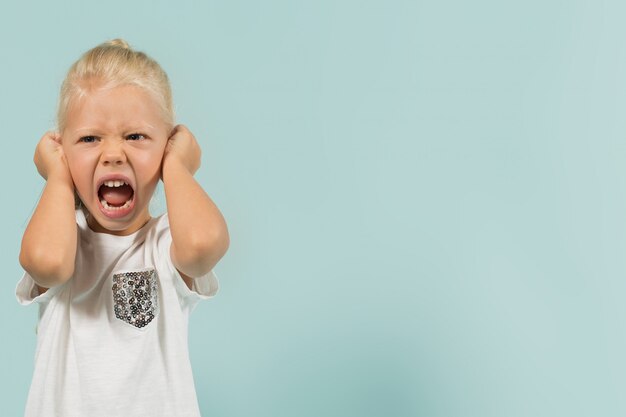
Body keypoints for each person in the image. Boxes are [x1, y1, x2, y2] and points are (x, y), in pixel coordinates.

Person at [15, 39, 230, 417]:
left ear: (166, 147)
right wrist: (58, 178)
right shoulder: (64, 240)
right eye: (89, 139)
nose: (113, 153)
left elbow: (201, 248)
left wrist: (178, 167)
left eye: (135, 136)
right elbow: (47, 264)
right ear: (61, 151)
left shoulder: (166, 245)